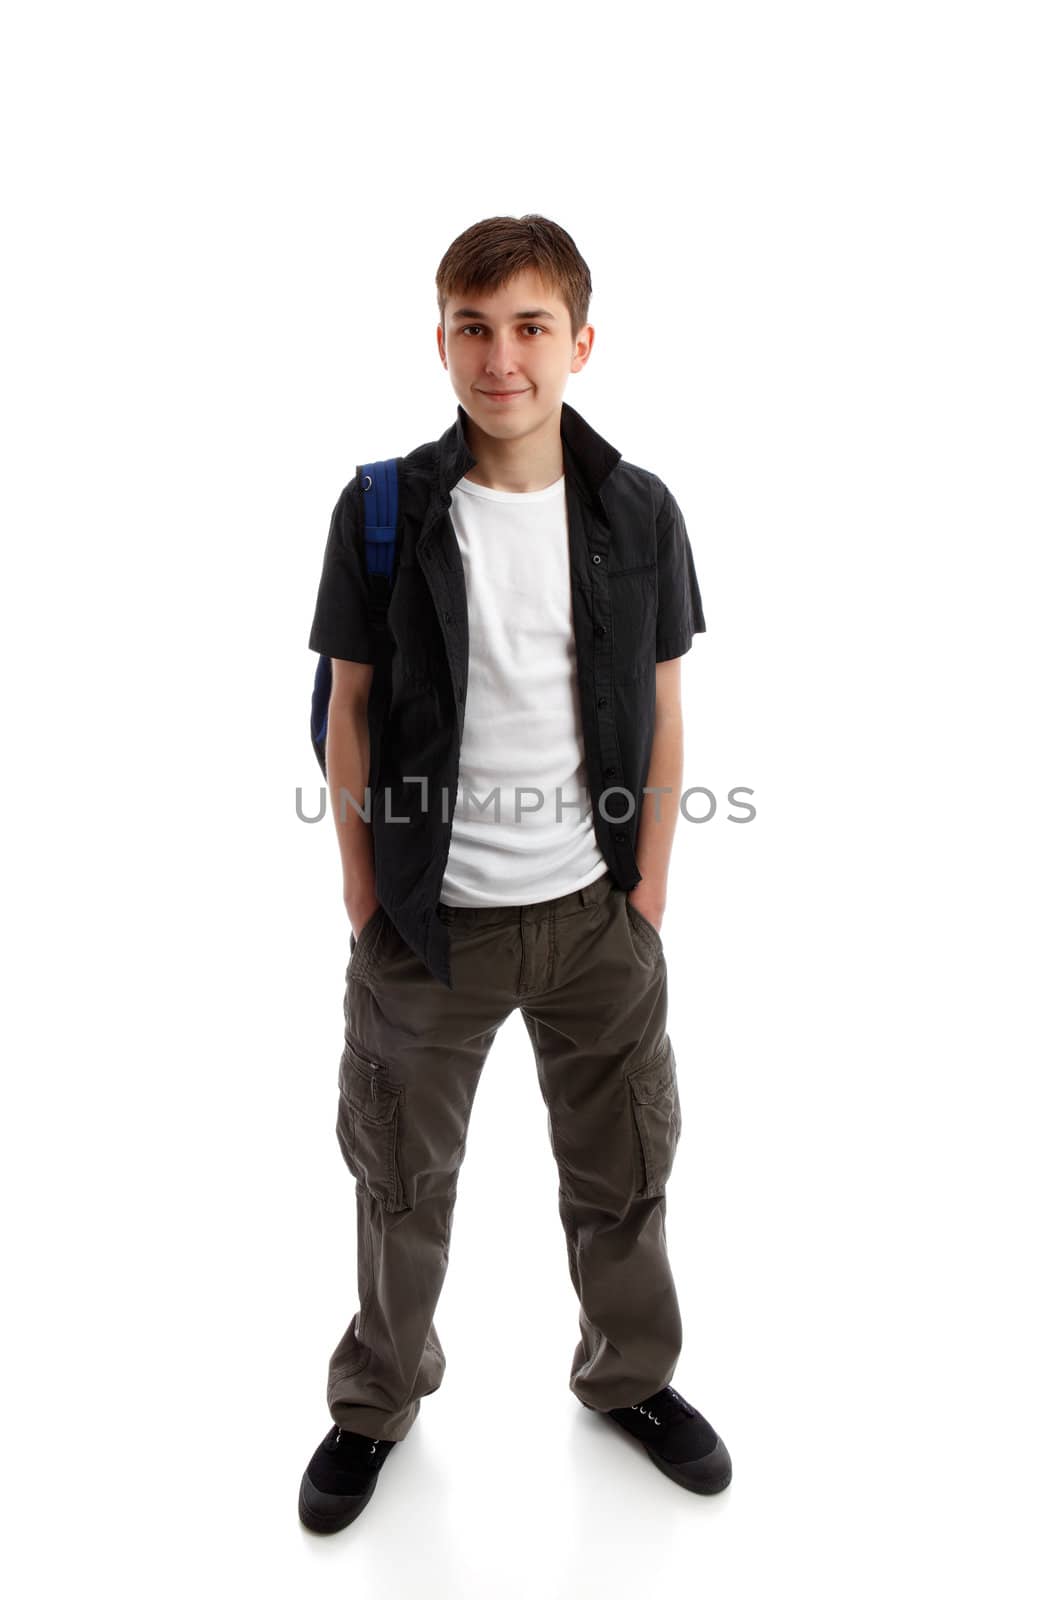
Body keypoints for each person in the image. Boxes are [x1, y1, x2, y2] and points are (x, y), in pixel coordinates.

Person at [298, 214, 731, 1535]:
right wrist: (367, 898)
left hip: (596, 922)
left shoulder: (639, 509)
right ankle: (377, 1402)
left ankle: (629, 1380)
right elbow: (351, 713)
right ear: (442, 340)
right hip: (430, 929)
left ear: (579, 343)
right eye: (473, 328)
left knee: (625, 1171)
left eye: (531, 327)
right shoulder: (381, 510)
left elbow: (661, 705)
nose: (502, 358)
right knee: (400, 1185)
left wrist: (644, 899)